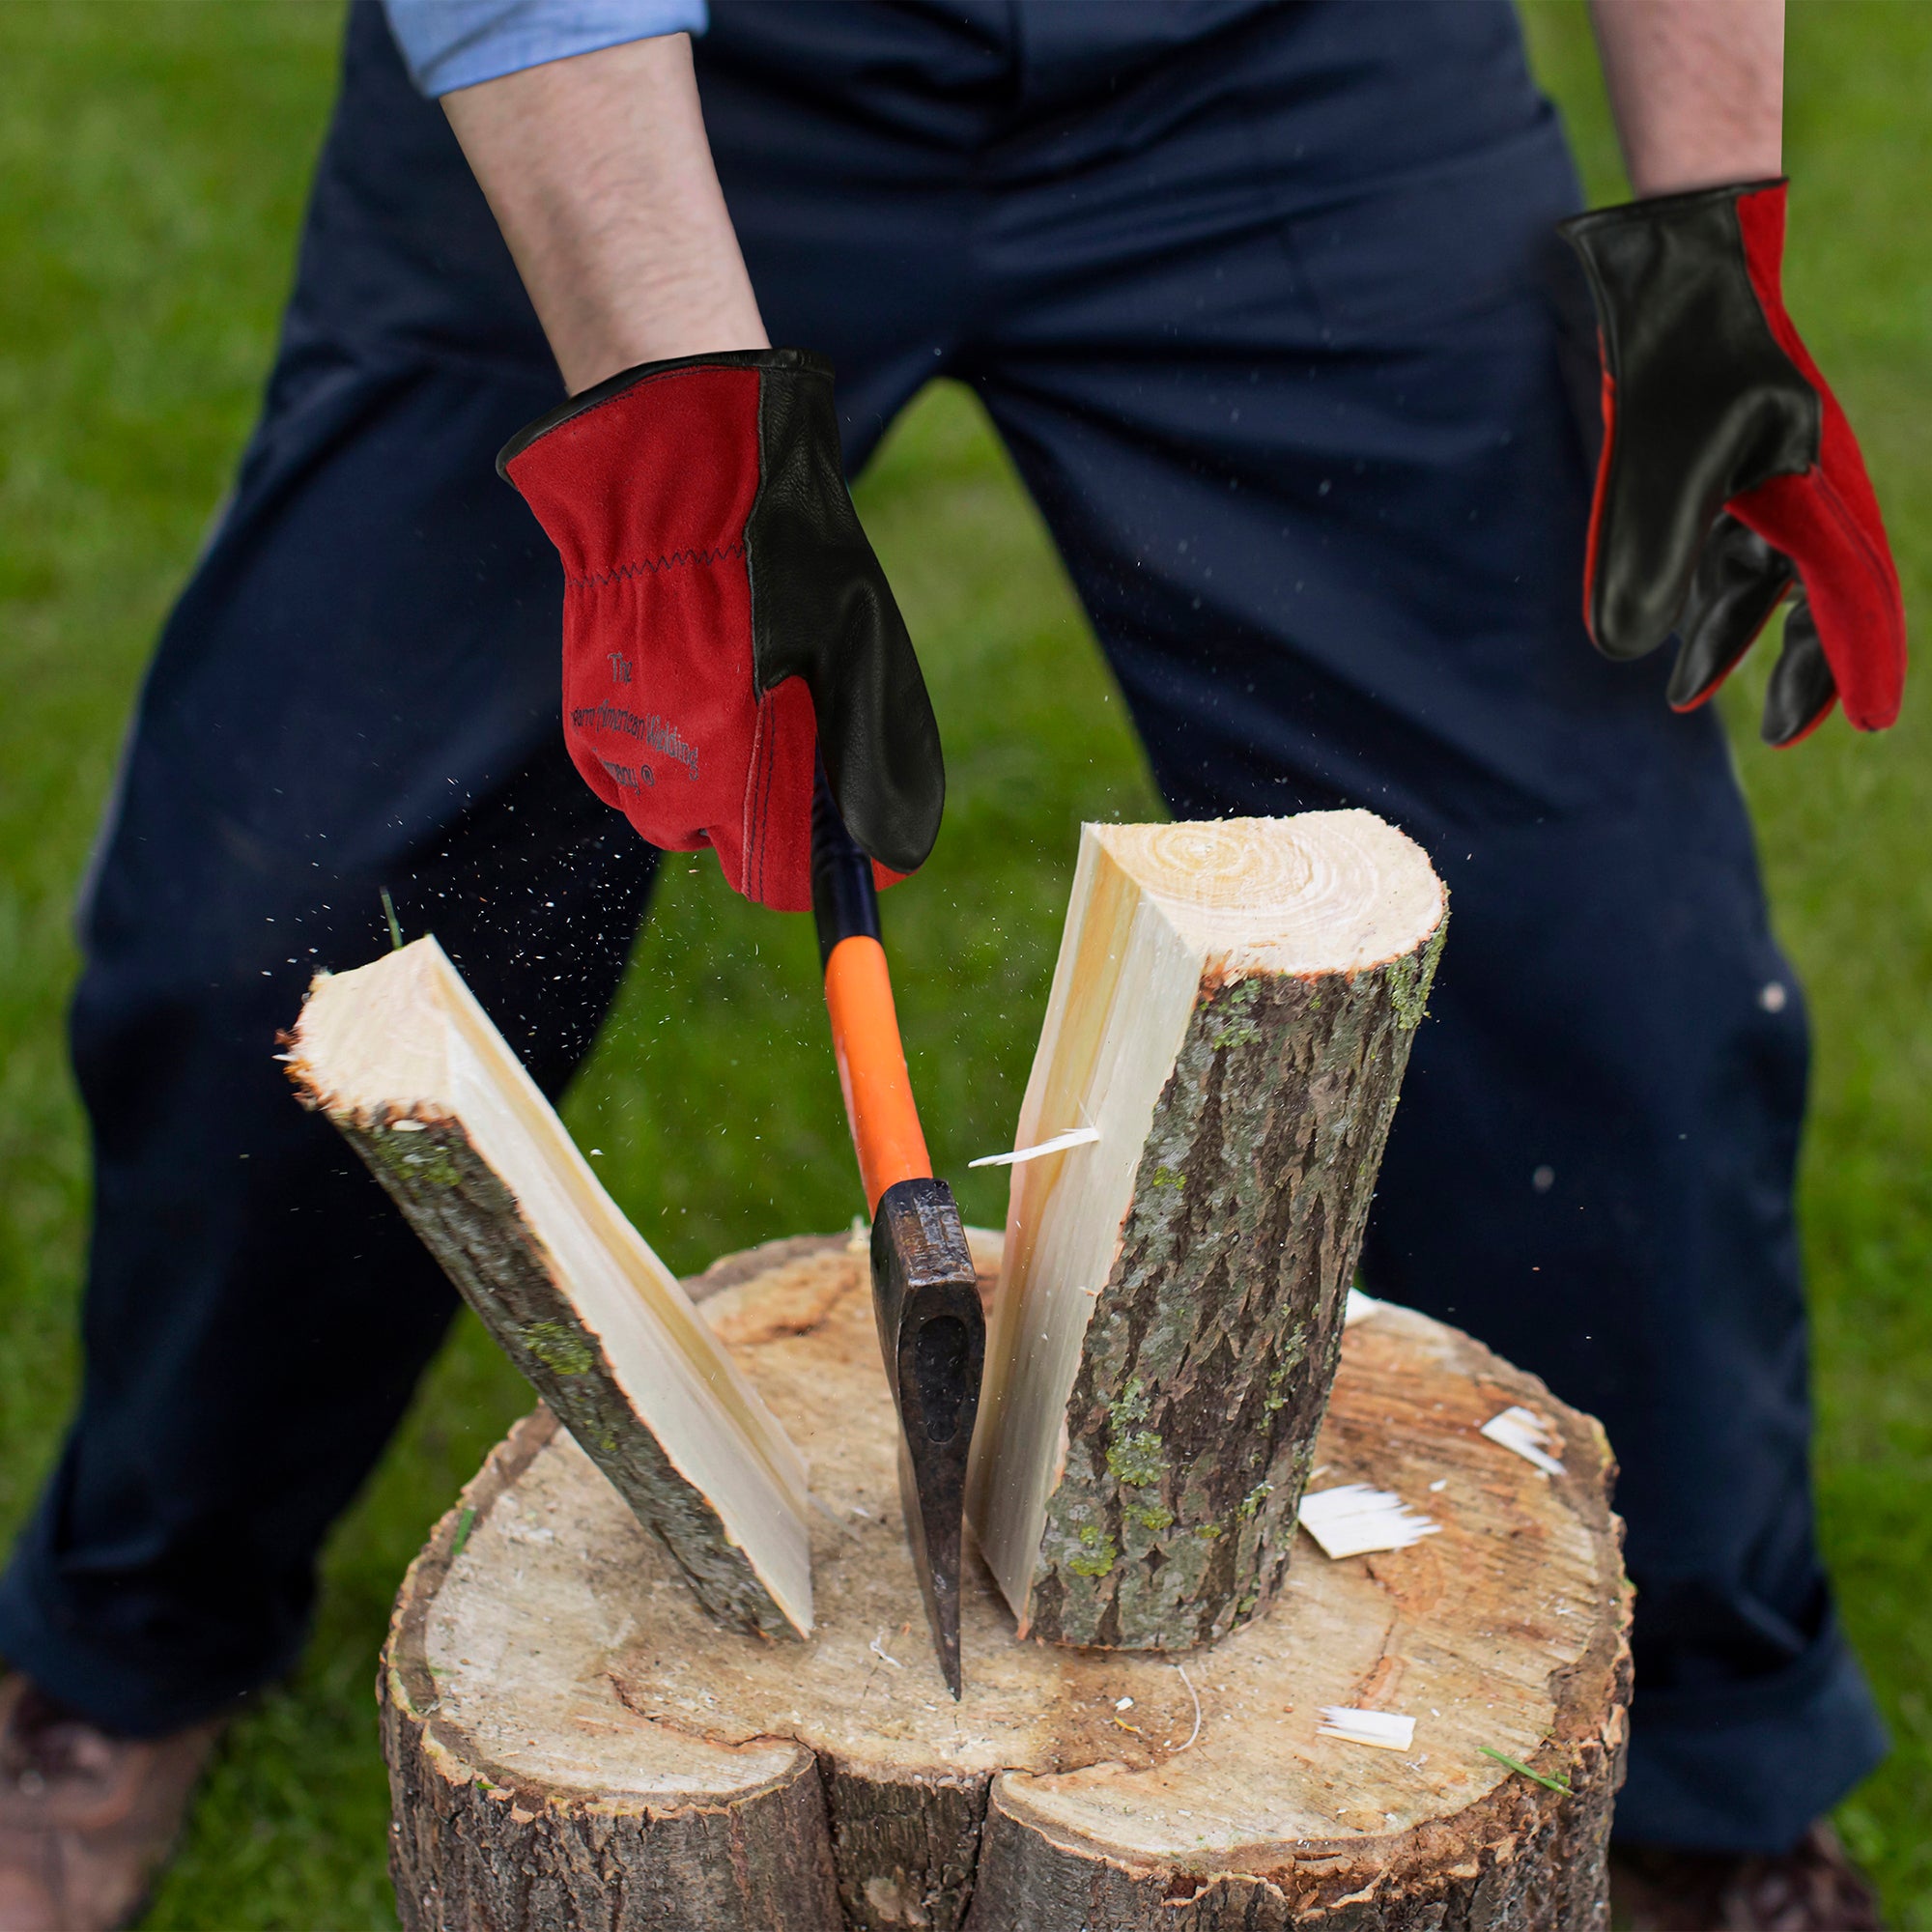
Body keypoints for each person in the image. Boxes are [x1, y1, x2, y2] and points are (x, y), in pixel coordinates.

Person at [0, 3, 1903, 1927]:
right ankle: (129, 1638)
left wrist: (1703, 227)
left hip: (1286, 73)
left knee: (1602, 959)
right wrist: (671, 413)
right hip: (675, 77)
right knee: (273, 928)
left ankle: (1709, 1766)